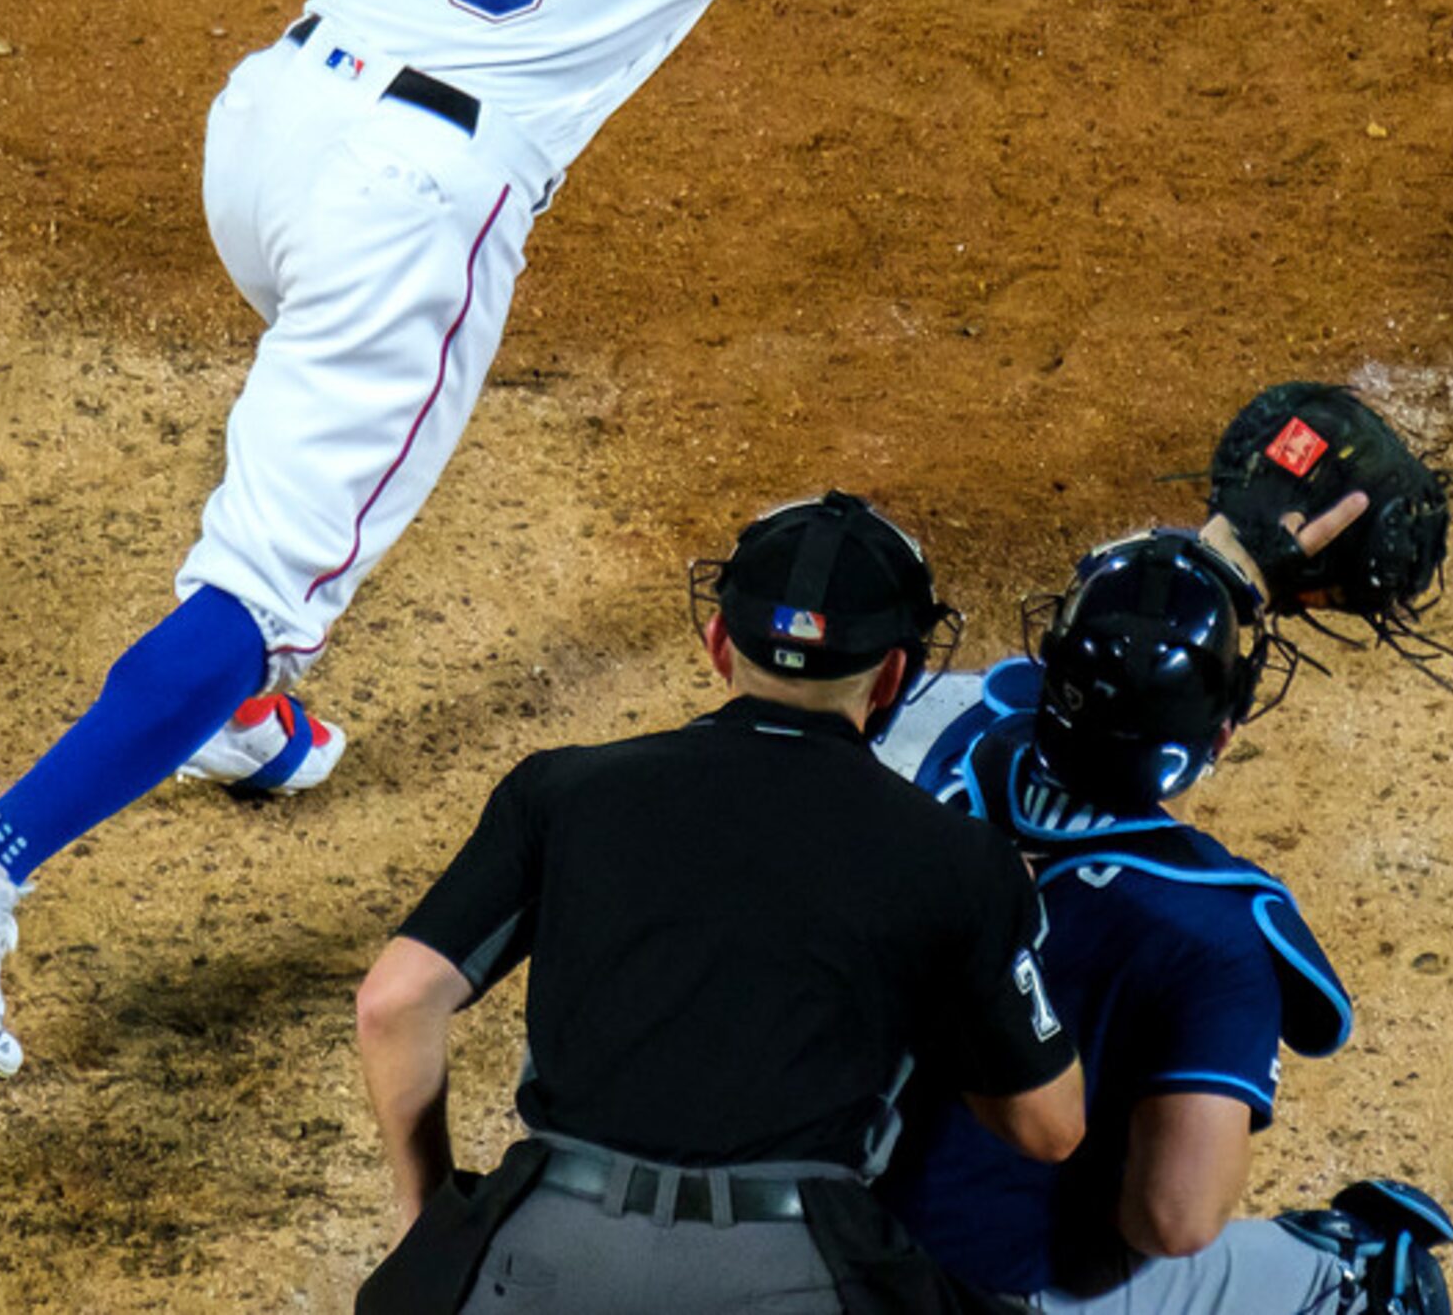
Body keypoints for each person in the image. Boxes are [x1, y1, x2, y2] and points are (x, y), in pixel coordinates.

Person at [0, 0, 1246, 1078]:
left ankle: (238, 723)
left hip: (268, 134)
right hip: (412, 212)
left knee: (306, 415)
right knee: (265, 586)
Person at [351, 491, 1084, 1314]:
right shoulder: (958, 857)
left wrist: (432, 1225)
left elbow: (393, 1003)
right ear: (893, 677)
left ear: (717, 642)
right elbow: (1049, 1129)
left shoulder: (562, 791)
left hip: (539, 1260)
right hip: (796, 1266)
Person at [870, 526, 1453, 1315]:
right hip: (972, 1294)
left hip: (808, 1233)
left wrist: (1233, 549)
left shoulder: (942, 746)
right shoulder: (1212, 927)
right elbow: (1173, 1221)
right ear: (1218, 736)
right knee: (1371, 1278)